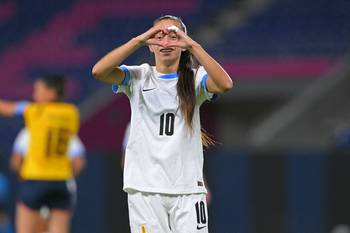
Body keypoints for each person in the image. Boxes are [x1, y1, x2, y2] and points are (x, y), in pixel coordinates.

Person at [92, 15, 232, 233]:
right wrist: (138, 40)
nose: (166, 42)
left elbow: (225, 84)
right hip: (144, 189)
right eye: (158, 36)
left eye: (174, 36)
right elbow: (99, 71)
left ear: (183, 43)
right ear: (150, 45)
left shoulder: (196, 79)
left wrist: (194, 46)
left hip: (187, 189)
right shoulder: (139, 76)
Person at [0, 75, 80, 233]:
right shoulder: (71, 113)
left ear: (52, 93)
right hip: (62, 181)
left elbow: (4, 108)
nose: (34, 95)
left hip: (36, 179)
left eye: (38, 90)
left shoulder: (34, 110)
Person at [10, 128, 86, 233]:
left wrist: (23, 177)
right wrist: (69, 176)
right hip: (62, 183)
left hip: (34, 182)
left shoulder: (30, 131)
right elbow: (78, 162)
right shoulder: (65, 130)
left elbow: (16, 162)